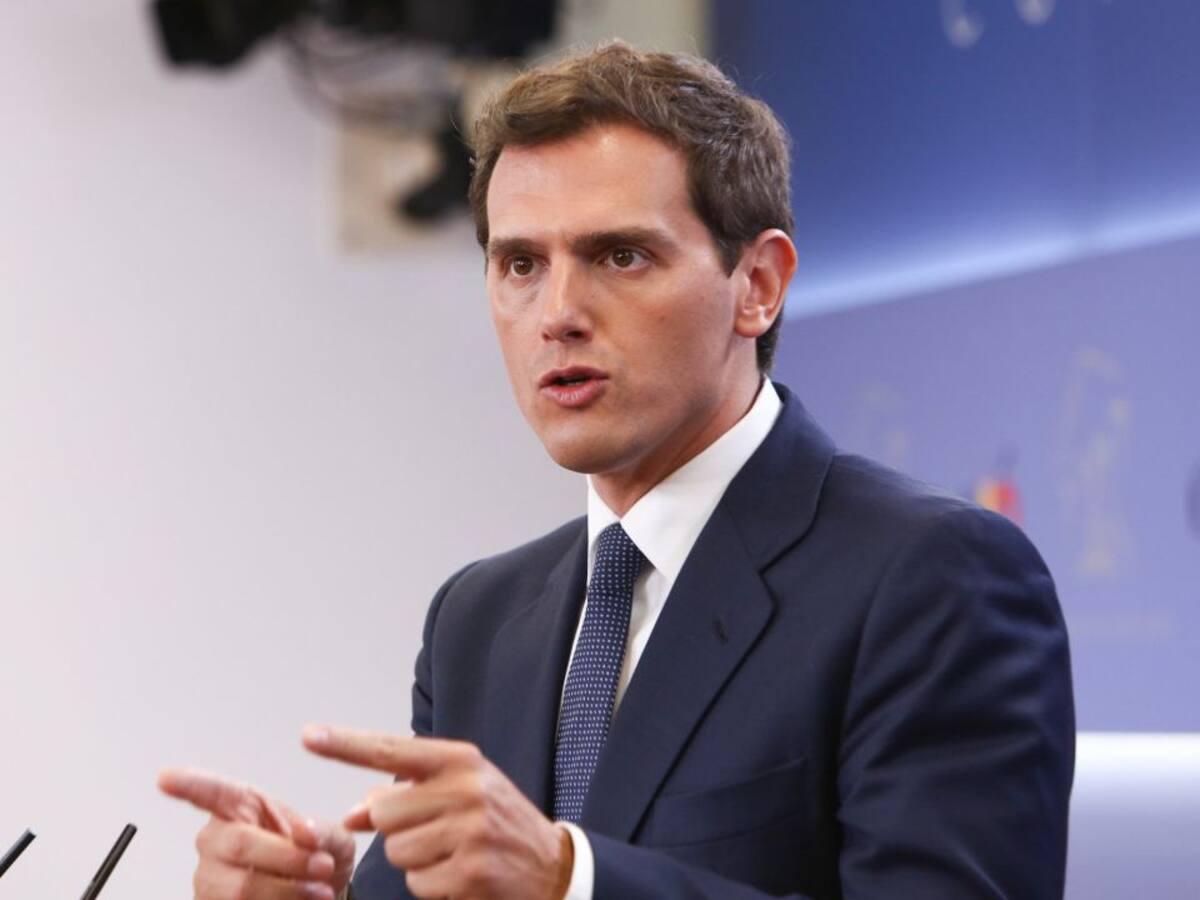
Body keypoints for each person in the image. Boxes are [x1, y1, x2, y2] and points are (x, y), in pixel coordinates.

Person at [159, 41, 1075, 899]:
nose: (557, 312)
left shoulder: (933, 577)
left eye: (619, 255)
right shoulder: (479, 619)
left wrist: (571, 879)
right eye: (521, 263)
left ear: (757, 285)